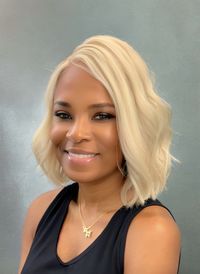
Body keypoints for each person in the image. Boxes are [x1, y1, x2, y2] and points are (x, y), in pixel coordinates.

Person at [18, 35, 181, 274]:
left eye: (102, 116)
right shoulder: (40, 211)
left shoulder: (151, 231)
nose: (76, 133)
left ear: (136, 125)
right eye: (64, 115)